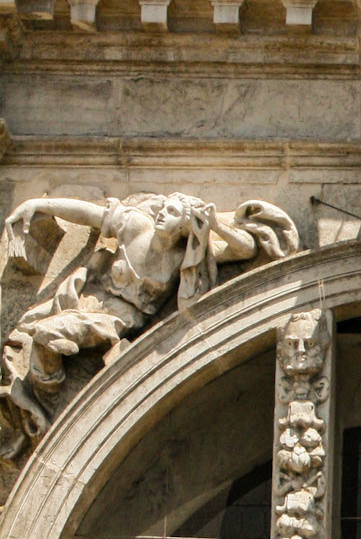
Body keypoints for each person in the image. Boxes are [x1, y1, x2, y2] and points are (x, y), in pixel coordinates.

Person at [0, 192, 296, 455]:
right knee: (44, 336)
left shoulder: (185, 255)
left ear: (185, 227)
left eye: (172, 213)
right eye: (164, 208)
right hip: (90, 306)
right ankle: (45, 402)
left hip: (120, 323)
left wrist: (214, 226)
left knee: (48, 335)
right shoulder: (135, 226)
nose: (163, 213)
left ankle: (46, 405)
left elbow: (246, 249)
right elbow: (89, 214)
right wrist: (39, 204)